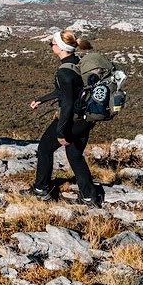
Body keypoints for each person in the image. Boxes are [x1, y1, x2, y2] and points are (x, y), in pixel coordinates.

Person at [29, 29, 102, 207]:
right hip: (87, 118)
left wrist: (61, 131)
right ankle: (89, 196)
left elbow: (67, 103)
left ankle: (41, 189)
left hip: (72, 120)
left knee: (45, 149)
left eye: (52, 44)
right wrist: (41, 100)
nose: (50, 46)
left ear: (60, 48)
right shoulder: (78, 63)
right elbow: (65, 91)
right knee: (75, 154)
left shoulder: (64, 72)